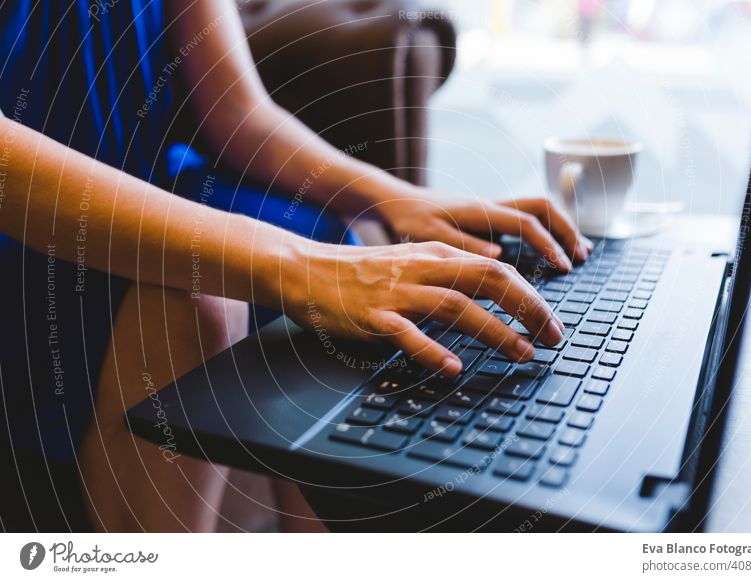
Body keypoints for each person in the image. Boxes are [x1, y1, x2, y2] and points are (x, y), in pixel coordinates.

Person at [0, 0, 591, 532]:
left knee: (340, 237)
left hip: (144, 175)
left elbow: (238, 110)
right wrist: (304, 271)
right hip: (30, 222)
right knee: (196, 296)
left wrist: (395, 199)